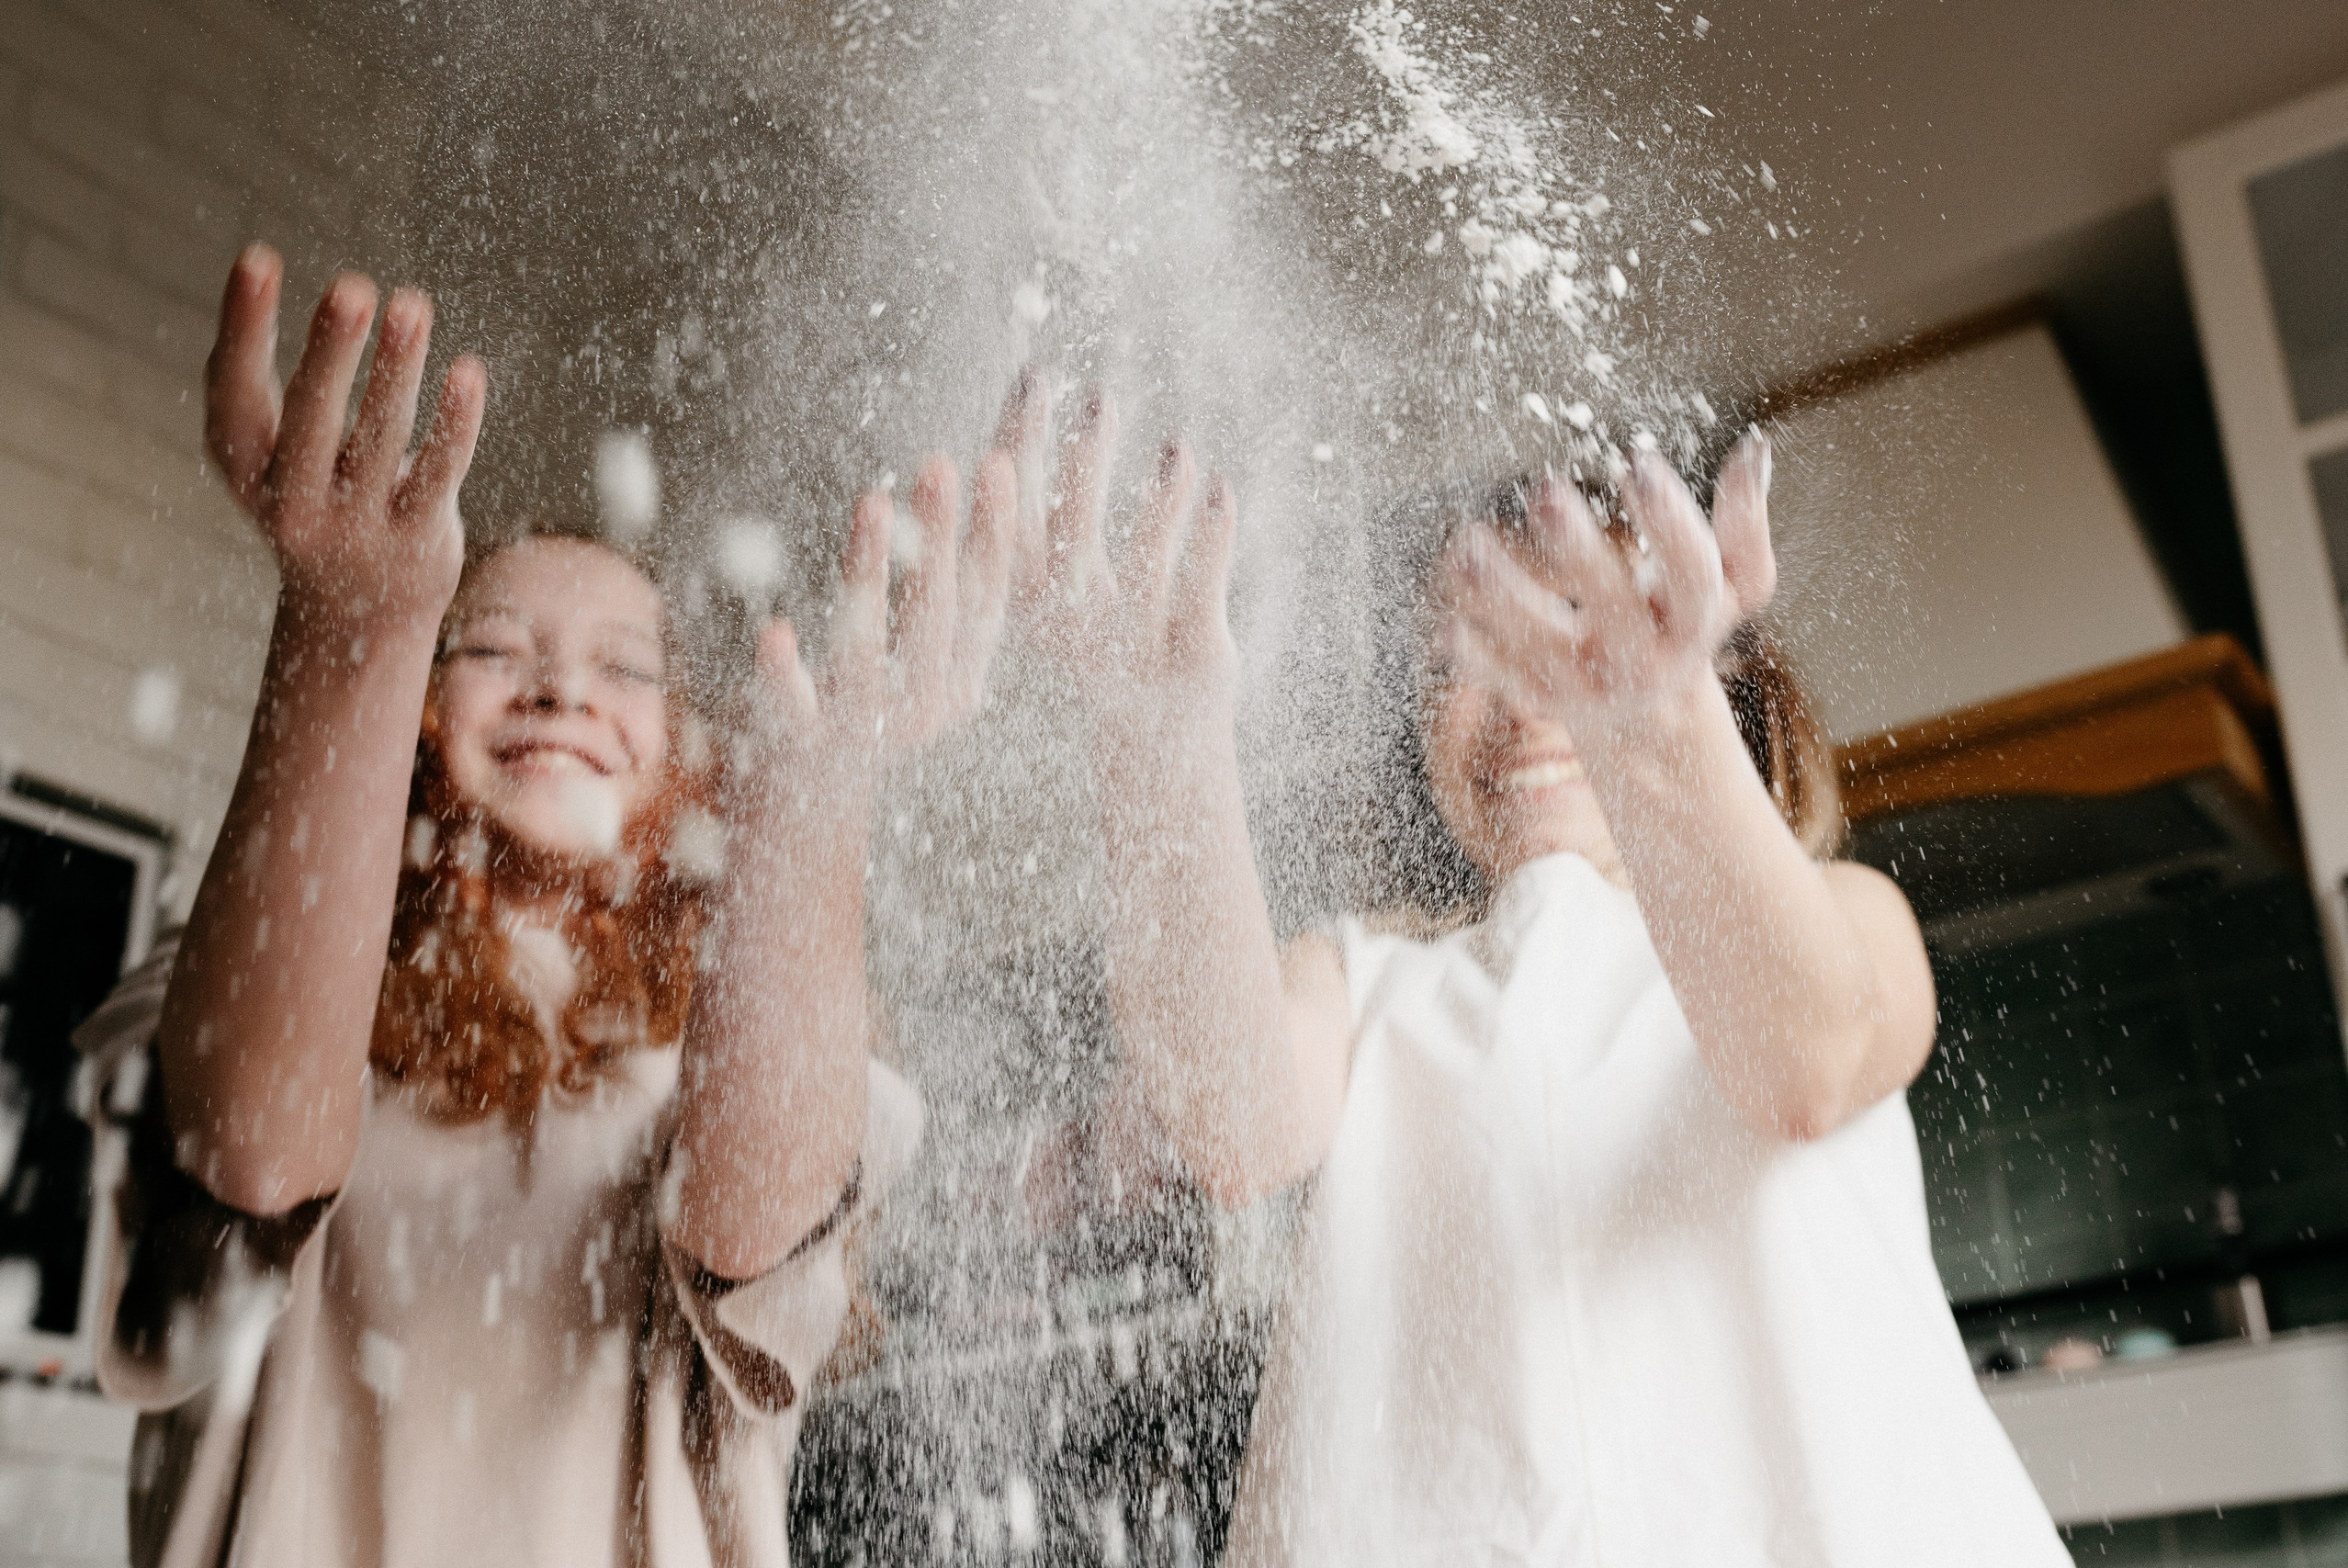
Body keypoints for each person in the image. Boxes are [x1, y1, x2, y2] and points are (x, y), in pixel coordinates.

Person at [73, 243, 1018, 1568]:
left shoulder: (752, 1018)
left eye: (625, 670)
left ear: (685, 755)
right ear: (414, 712)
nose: (562, 691)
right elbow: (252, 1160)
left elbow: (751, 1220)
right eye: (489, 647)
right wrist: (353, 624)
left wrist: (817, 800)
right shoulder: (225, 958)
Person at [1010, 404, 2069, 1564]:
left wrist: (1659, 730)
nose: (1518, 700)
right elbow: (1231, 1128)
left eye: (1573, 631)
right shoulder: (1361, 985)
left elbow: (1802, 1070)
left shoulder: (1846, 913)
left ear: (1719, 686)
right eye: (1456, 662)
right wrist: (1155, 739)